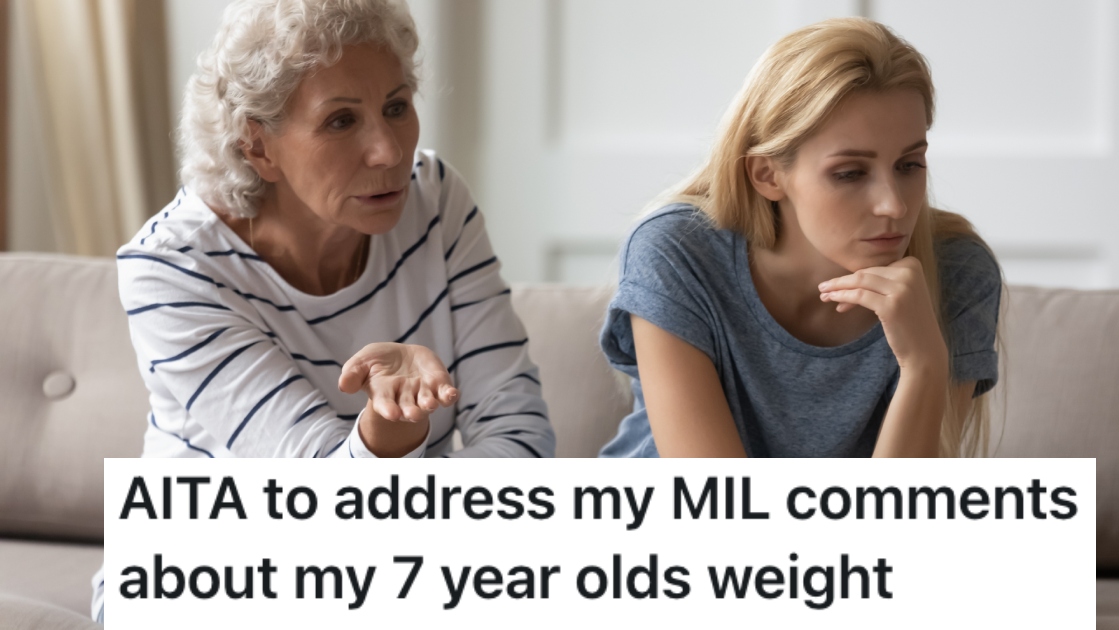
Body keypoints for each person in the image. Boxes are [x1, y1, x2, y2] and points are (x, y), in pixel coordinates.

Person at [91, 0, 553, 621]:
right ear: (258, 145)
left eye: (397, 106)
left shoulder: (435, 200)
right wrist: (390, 427)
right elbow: (324, 503)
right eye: (340, 121)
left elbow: (524, 445)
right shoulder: (173, 269)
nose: (388, 151)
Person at [598, 18, 1001, 459]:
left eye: (909, 165)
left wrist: (924, 364)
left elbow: (907, 503)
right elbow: (718, 498)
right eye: (850, 173)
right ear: (768, 175)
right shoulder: (677, 252)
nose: (894, 206)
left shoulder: (957, 271)